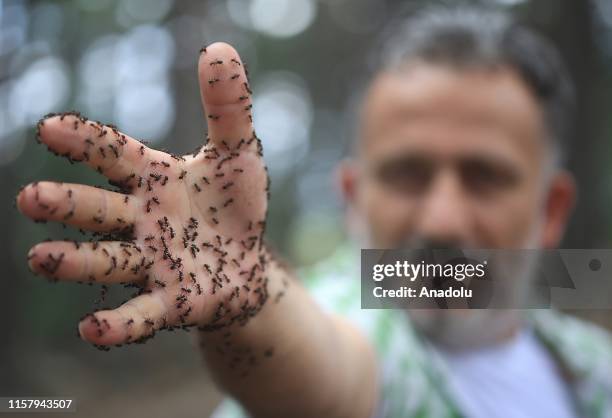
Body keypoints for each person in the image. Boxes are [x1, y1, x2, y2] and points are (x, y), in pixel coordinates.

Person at [16, 5, 612, 418]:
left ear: (552, 208)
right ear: (352, 198)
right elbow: (325, 377)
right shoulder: (356, 319)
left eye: (485, 177)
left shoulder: (589, 365)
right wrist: (248, 299)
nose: (442, 220)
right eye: (406, 174)